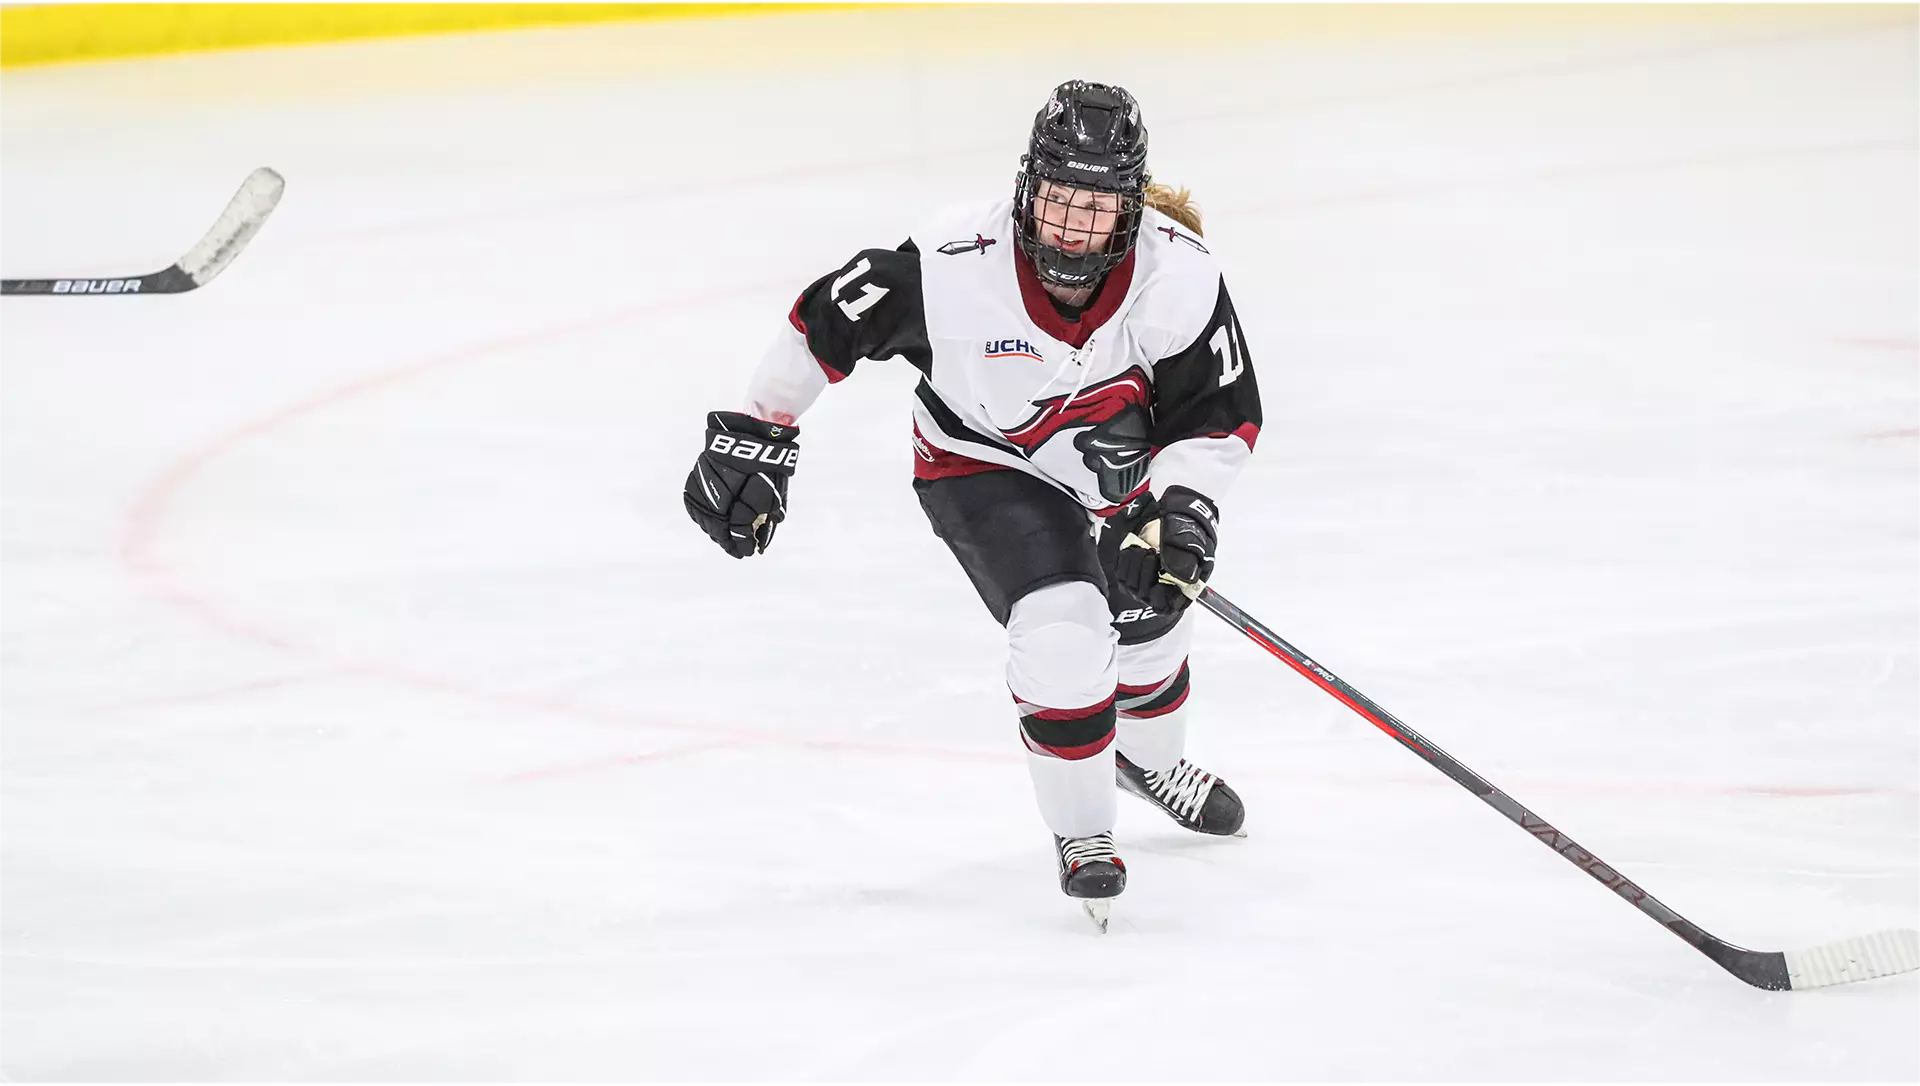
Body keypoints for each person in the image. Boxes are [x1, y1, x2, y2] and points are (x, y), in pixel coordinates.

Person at [683, 80, 1262, 927]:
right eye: (1058, 200)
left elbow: (1219, 412)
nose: (1070, 226)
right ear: (1029, 187)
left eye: (1094, 207)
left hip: (1113, 478)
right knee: (1065, 633)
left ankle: (1149, 761)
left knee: (1150, 620)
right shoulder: (955, 263)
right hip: (979, 465)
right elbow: (827, 320)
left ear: (1129, 211)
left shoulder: (1177, 277)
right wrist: (756, 427)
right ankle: (1084, 830)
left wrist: (1184, 508)